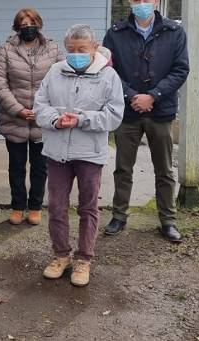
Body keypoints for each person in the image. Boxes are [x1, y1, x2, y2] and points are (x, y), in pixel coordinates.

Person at [33, 24, 124, 287]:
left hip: (89, 154)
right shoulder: (55, 71)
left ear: (94, 48)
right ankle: (61, 255)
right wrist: (55, 120)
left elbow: (114, 115)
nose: (75, 54)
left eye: (81, 50)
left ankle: (84, 259)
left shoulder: (108, 76)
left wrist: (82, 119)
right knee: (57, 206)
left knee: (88, 207)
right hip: (57, 151)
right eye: (70, 50)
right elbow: (40, 106)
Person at [102, 0, 188, 243]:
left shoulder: (174, 32)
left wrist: (153, 95)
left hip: (160, 111)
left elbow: (180, 69)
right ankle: (119, 215)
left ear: (156, 1)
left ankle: (168, 220)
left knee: (164, 169)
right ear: (130, 2)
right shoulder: (116, 32)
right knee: (123, 168)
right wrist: (131, 96)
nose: (141, 4)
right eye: (137, 0)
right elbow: (109, 68)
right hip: (128, 112)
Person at [0, 8, 63, 226]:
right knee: (16, 166)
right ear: (17, 26)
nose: (27, 26)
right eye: (22, 23)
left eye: (31, 22)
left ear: (39, 24)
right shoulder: (6, 50)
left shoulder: (52, 48)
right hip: (14, 118)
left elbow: (62, 79)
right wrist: (18, 109)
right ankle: (17, 206)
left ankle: (35, 207)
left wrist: (45, 110)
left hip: (43, 120)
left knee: (40, 167)